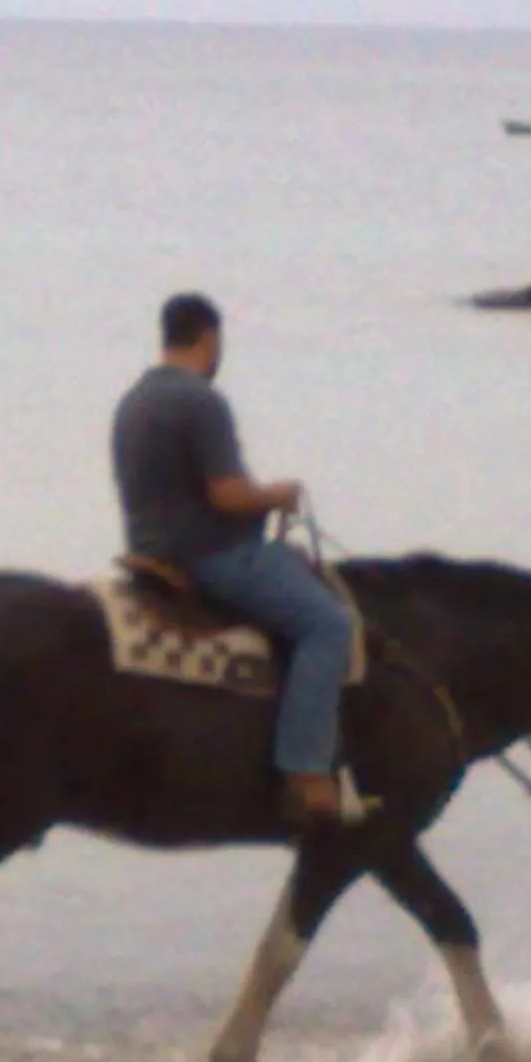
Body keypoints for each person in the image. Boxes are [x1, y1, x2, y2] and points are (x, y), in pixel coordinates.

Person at [110, 292, 357, 826]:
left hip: (149, 549)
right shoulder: (201, 401)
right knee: (329, 624)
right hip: (212, 554)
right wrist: (278, 494)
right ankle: (306, 771)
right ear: (210, 338)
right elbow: (227, 496)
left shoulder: (135, 399)